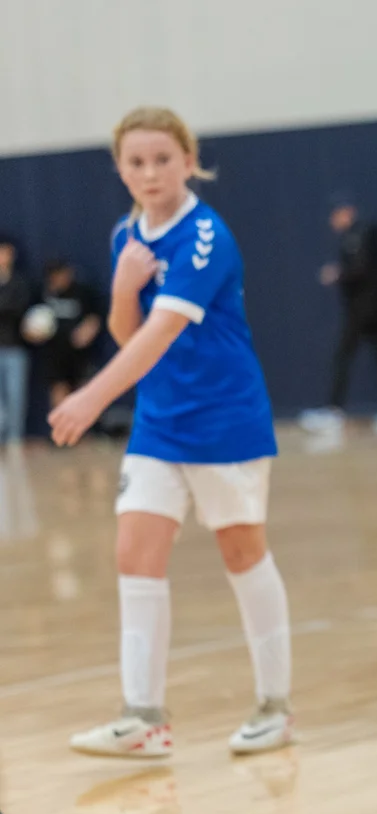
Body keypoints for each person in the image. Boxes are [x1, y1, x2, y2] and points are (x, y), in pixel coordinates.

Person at [51, 106, 295, 757]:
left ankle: (275, 706)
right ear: (120, 169)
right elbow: (131, 332)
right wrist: (124, 287)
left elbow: (160, 336)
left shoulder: (206, 236)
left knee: (242, 554)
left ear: (189, 161)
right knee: (134, 551)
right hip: (160, 424)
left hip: (225, 421)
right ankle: (144, 719)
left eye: (163, 158)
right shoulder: (124, 237)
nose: (150, 171)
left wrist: (90, 397)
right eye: (136, 161)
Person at [301, 197, 377, 443]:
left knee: (345, 355)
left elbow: (362, 269)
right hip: (370, 307)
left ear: (347, 212)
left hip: (366, 309)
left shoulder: (361, 235)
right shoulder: (357, 236)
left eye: (337, 215)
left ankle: (334, 411)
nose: (333, 221)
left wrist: (338, 273)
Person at [39, 259, 105, 409]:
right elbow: (34, 318)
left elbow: (95, 316)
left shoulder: (83, 292)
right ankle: (60, 427)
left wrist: (88, 330)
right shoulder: (45, 292)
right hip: (55, 350)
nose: (59, 278)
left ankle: (82, 428)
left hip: (79, 352)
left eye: (61, 274)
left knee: (82, 387)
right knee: (58, 386)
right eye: (54, 275)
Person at [0, 236, 31, 446]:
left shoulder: (20, 282)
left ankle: (14, 441)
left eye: (7, 252)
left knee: (16, 397)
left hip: (14, 347)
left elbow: (20, 310)